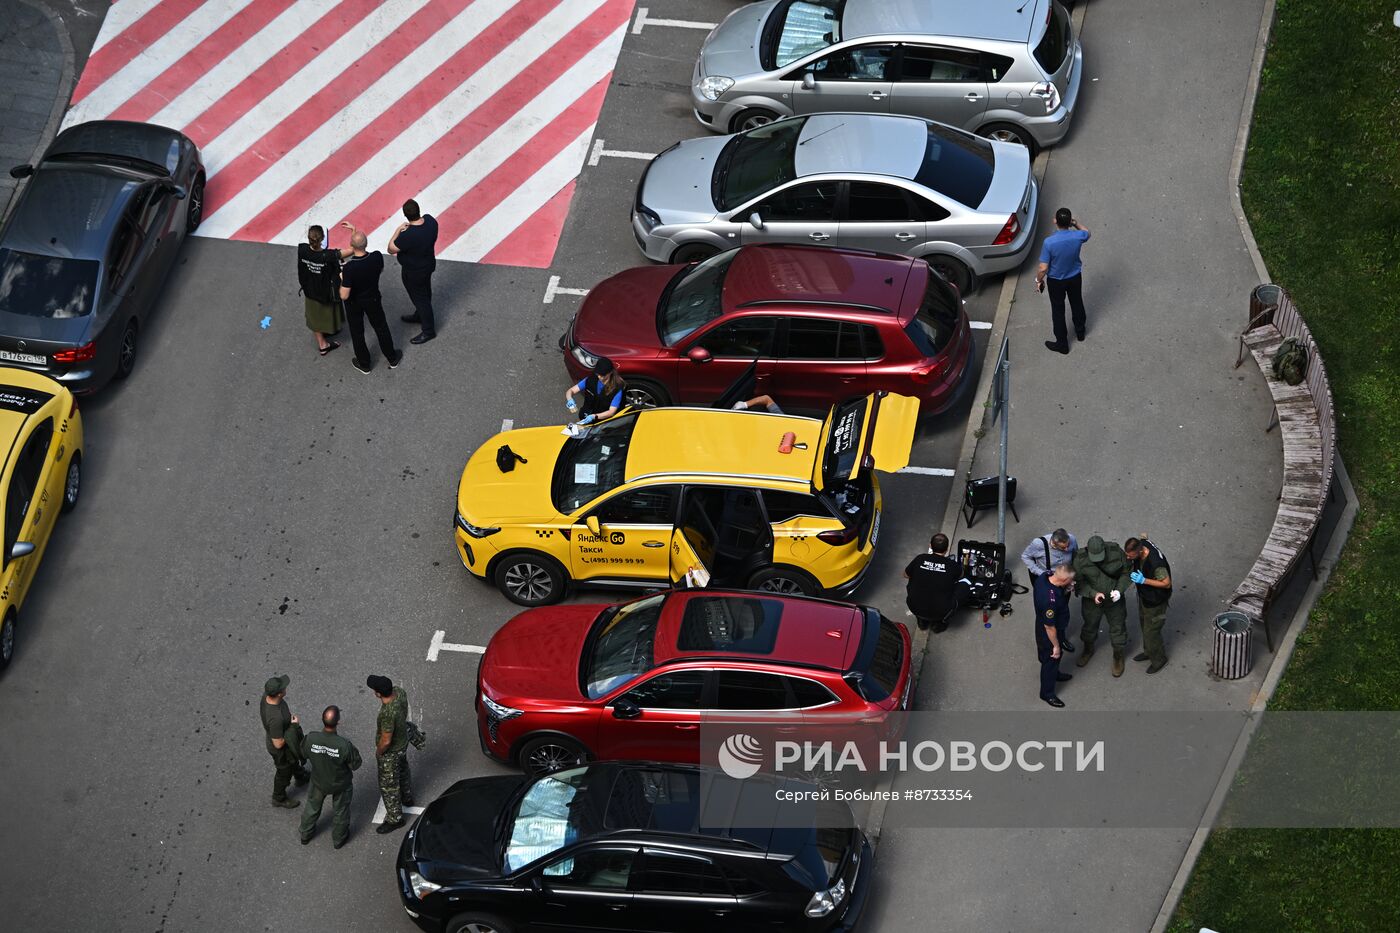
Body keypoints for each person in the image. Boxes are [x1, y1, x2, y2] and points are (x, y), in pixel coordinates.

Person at [338, 222, 401, 375]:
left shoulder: (349, 268)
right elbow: (377, 270)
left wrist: (342, 277)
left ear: (351, 246)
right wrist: (354, 231)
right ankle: (392, 358)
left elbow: (344, 295)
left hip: (354, 303)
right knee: (381, 327)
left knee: (357, 332)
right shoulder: (377, 257)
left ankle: (364, 364)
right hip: (372, 298)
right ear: (366, 244)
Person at [299, 705, 363, 848]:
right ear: (338, 723)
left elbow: (302, 753)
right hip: (340, 783)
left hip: (318, 781)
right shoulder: (344, 745)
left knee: (312, 806)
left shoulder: (311, 738)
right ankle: (339, 839)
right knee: (341, 811)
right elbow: (356, 764)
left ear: (323, 720)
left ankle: (305, 833)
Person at [1071, 535, 1134, 677]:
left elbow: (1127, 572)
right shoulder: (1080, 559)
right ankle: (1088, 649)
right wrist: (1093, 593)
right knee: (1089, 626)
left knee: (1118, 627)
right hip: (1092, 601)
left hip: (1114, 599)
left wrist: (1119, 590)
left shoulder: (1116, 552)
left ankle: (1118, 656)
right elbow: (1079, 583)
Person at [1033, 208, 1091, 354]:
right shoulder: (1078, 236)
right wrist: (1076, 223)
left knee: (1058, 311)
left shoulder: (1049, 243)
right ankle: (1080, 332)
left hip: (1056, 281)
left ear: (1055, 221)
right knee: (1077, 303)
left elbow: (1043, 267)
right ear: (1069, 222)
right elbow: (1087, 232)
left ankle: (1062, 344)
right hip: (1075, 277)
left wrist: (1038, 280)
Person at [367, 674, 414, 834]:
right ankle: (407, 797)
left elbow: (386, 740)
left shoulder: (388, 713)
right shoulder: (400, 693)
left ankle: (395, 818)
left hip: (391, 751)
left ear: (379, 693)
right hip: (403, 743)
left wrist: (379, 752)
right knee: (403, 770)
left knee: (388, 785)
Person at [388, 198, 438, 345]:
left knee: (420, 299)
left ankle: (428, 330)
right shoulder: (431, 221)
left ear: (405, 215)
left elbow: (391, 249)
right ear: (419, 210)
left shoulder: (408, 235)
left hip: (413, 272)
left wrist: (398, 230)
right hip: (428, 264)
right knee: (425, 291)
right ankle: (420, 314)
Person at [1020, 528, 1078, 651]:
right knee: (1045, 615)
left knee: (1062, 611)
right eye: (1063, 548)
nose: (1067, 549)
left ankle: (1061, 639)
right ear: (1053, 543)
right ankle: (1044, 646)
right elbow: (1025, 556)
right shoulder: (1039, 544)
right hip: (1046, 582)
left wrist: (1071, 578)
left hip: (1064, 583)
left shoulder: (1071, 539)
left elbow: (1075, 557)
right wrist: (1041, 573)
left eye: (1067, 546)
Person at [1124, 536, 1173, 673]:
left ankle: (1159, 659)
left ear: (1140, 552)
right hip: (1146, 597)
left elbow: (1166, 583)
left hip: (1155, 601)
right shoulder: (1143, 543)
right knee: (1144, 624)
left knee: (1152, 632)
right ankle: (1149, 651)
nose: (1128, 558)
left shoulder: (1156, 564)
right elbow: (1144, 535)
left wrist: (1144, 580)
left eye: (1130, 556)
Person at [260, 674, 308, 809]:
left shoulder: (266, 697)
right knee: (283, 773)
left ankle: (300, 776)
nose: (286, 687)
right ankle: (278, 797)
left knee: (293, 761)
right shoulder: (275, 718)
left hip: (285, 744)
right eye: (283, 687)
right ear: (280, 694)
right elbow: (278, 743)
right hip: (280, 751)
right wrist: (293, 726)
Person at [296, 225, 345, 356]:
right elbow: (346, 254)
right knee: (328, 312)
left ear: (309, 239)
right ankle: (323, 345)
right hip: (326, 292)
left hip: (310, 290)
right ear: (323, 238)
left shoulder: (302, 250)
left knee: (314, 316)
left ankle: (322, 339)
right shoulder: (328, 256)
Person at [1033, 563, 1075, 707]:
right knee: (1050, 659)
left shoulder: (1045, 577)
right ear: (1063, 581)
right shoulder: (1049, 601)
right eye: (1070, 581)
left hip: (1051, 625)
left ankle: (1055, 674)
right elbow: (1049, 627)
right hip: (1048, 633)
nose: (1072, 583)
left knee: (1054, 661)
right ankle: (1047, 693)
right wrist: (1056, 646)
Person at [904, 533, 964, 632]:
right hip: (941, 612)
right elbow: (960, 575)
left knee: (914, 582)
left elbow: (906, 575)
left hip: (914, 607)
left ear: (930, 546)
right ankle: (939, 625)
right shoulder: (952, 565)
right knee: (964, 586)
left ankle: (922, 622)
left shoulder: (920, 559)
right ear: (947, 548)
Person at [565, 357, 625, 423]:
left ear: (610, 373)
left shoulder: (617, 389)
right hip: (585, 416)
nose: (599, 377)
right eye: (598, 374)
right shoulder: (590, 380)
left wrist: (594, 416)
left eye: (603, 375)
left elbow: (611, 412)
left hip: (602, 423)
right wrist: (569, 399)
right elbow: (571, 391)